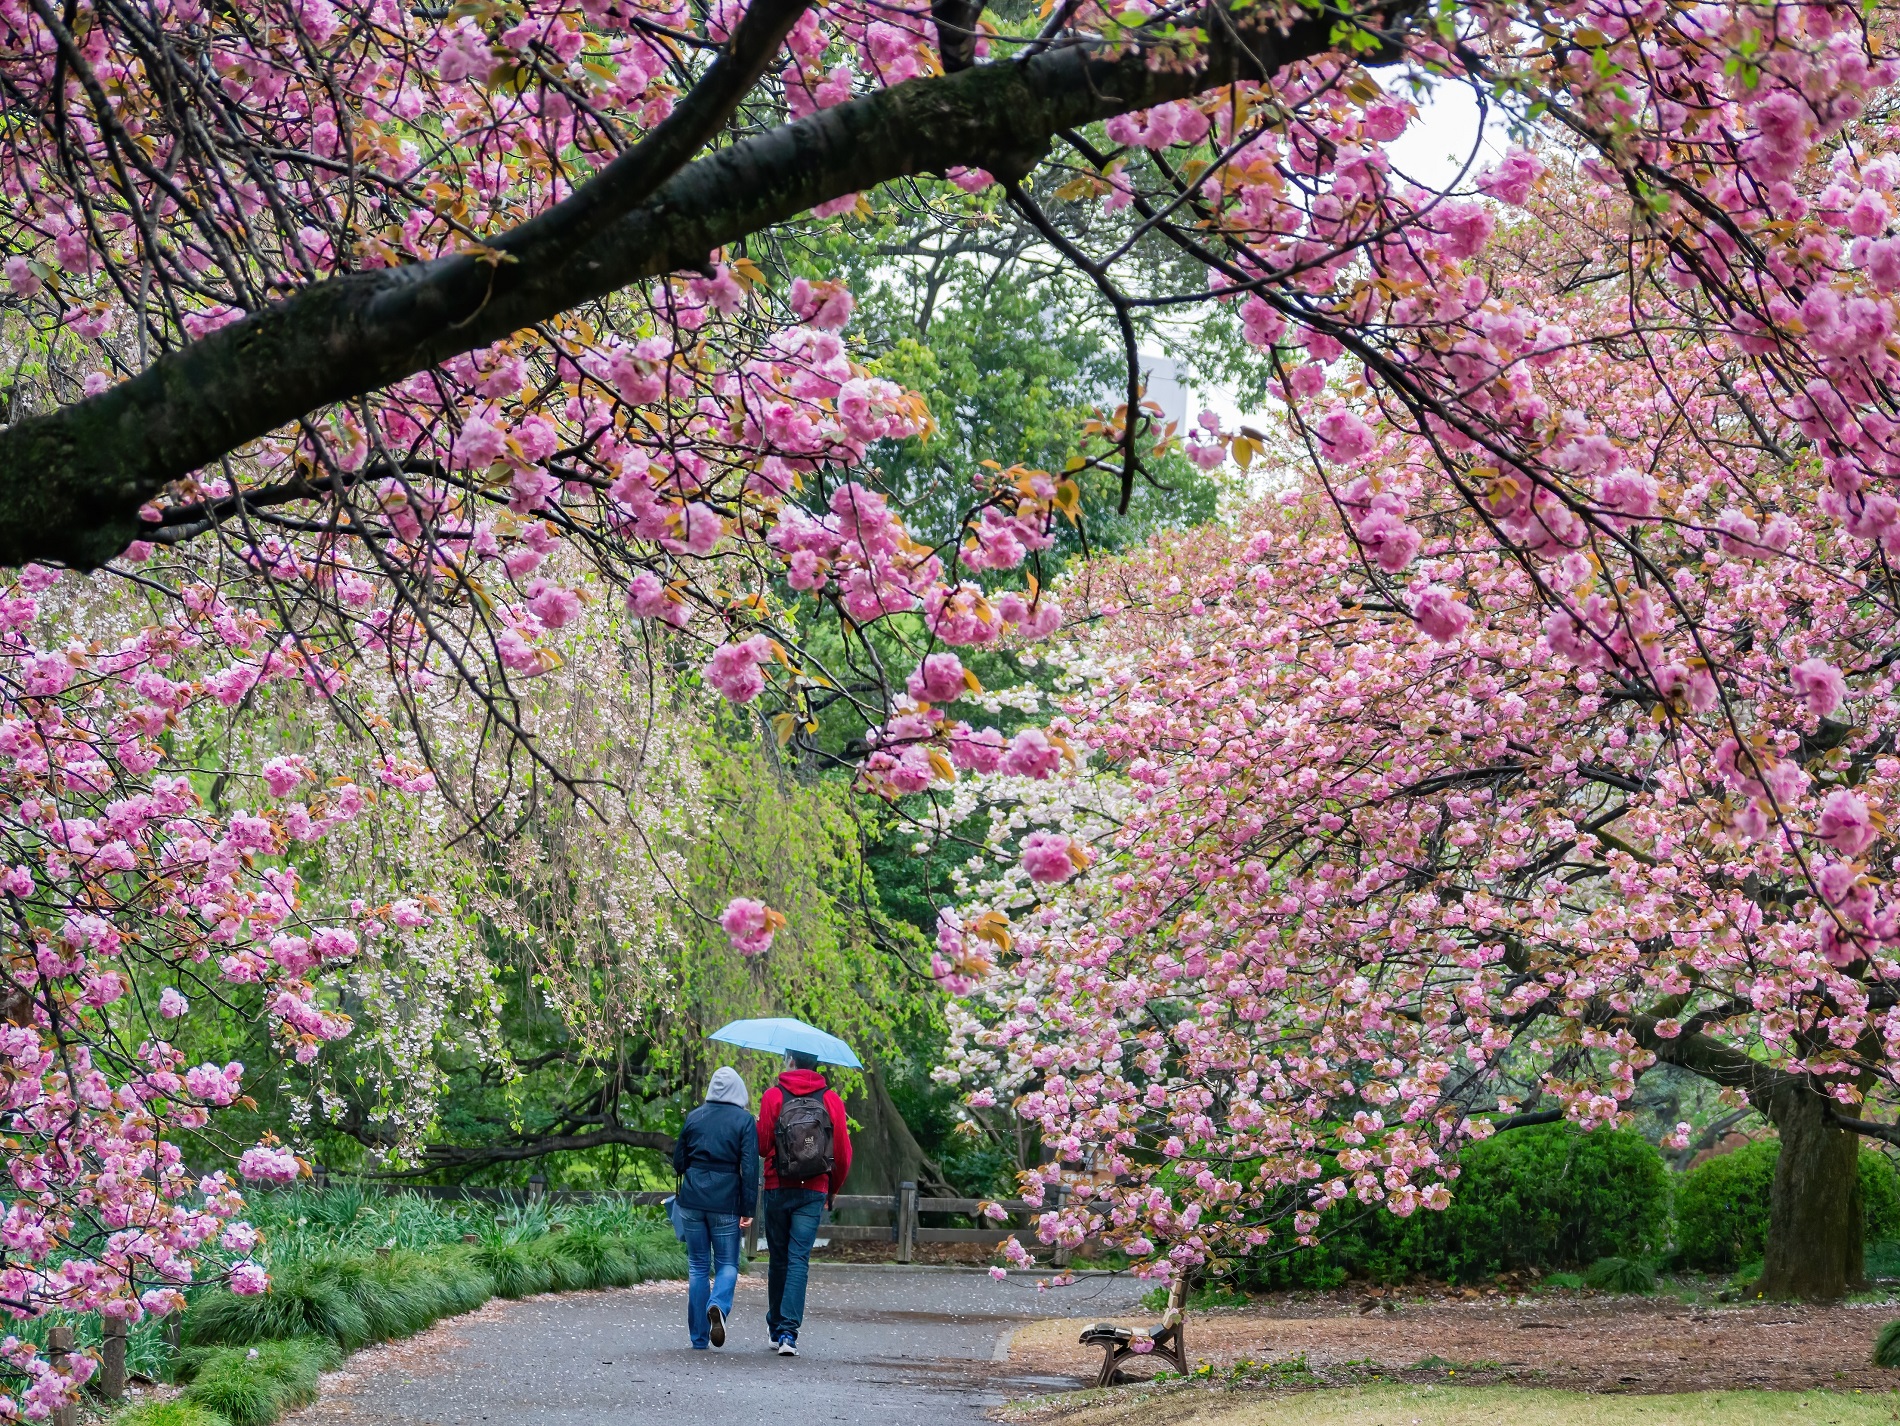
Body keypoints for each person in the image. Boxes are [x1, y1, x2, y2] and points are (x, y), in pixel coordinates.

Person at [755, 1049, 852, 1357]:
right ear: (818, 1065)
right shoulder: (831, 1100)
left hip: (777, 1185)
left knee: (778, 1258)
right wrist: (832, 1188)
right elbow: (842, 1151)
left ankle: (775, 1328)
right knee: (799, 1259)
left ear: (792, 1061)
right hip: (814, 1189)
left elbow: (762, 1145)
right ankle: (788, 1334)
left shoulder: (773, 1096)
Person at [671, 1066, 759, 1350]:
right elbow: (749, 1167)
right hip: (726, 1202)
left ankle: (698, 1339)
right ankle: (718, 1304)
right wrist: (749, 1209)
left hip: (692, 1200)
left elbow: (678, 1162)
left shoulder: (694, 1116)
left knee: (697, 1267)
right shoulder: (744, 1121)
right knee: (727, 1264)